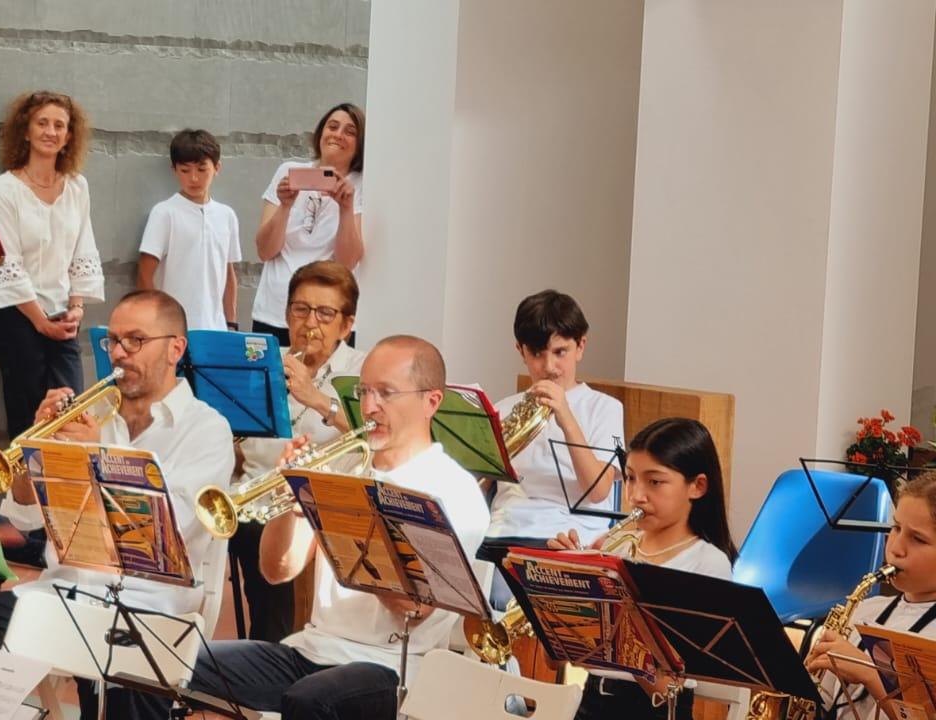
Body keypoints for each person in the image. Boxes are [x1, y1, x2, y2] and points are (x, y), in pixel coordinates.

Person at [0, 290, 235, 720]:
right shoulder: (92, 415)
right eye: (112, 341)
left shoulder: (207, 429)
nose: (119, 353)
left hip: (149, 607)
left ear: (176, 347)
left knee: (129, 688)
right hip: (59, 596)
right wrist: (35, 448)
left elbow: (174, 530)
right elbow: (23, 514)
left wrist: (99, 458)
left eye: (135, 341)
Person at [188, 335, 489, 720]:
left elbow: (415, 609)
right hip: (312, 649)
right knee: (183, 661)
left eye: (386, 393)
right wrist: (293, 501)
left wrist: (356, 523)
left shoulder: (453, 490)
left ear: (431, 401)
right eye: (363, 391)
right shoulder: (346, 466)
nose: (368, 407)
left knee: (311, 700)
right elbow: (277, 569)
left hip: (395, 664)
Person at [548, 417, 737, 720]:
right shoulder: (614, 545)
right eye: (631, 478)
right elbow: (553, 660)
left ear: (698, 486)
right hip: (589, 702)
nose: (636, 495)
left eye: (655, 481)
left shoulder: (708, 562)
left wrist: (623, 626)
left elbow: (667, 692)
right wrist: (564, 588)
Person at [231, 261, 365, 643]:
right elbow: (243, 447)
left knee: (258, 539)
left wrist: (319, 400)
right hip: (251, 494)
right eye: (301, 310)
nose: (311, 323)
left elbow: (378, 438)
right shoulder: (266, 366)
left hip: (314, 504)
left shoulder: (363, 374)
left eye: (325, 313)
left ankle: (267, 651)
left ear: (346, 324)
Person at [479, 289, 624, 610]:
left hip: (567, 541)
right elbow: (478, 491)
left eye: (560, 352)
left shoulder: (604, 408)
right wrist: (488, 459)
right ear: (521, 351)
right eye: (537, 354)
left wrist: (565, 415)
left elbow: (599, 490)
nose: (550, 366)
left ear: (580, 346)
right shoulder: (504, 408)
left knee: (504, 598)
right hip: (500, 537)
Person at [0, 90, 104, 438]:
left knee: (70, 410)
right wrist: (41, 322)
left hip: (62, 316)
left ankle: (65, 489)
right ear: (25, 130)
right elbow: (6, 263)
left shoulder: (78, 187)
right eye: (42, 123)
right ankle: (24, 492)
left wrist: (77, 307)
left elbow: (83, 248)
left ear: (69, 136)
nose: (51, 131)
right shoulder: (6, 189)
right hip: (17, 316)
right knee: (28, 415)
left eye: (59, 125)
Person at [808, 469, 936, 718]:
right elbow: (820, 701)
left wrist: (868, 672)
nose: (896, 548)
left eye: (918, 539)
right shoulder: (867, 609)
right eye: (896, 528)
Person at [249, 103, 365, 345]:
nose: (338, 135)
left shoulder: (361, 184)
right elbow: (265, 250)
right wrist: (285, 205)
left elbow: (348, 262)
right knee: (270, 382)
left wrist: (346, 209)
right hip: (274, 311)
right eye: (332, 126)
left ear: (360, 142)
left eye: (350, 131)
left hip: (327, 317)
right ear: (321, 132)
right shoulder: (289, 170)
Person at [137, 128, 241, 331]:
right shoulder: (164, 213)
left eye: (202, 169)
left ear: (217, 167)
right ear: (174, 170)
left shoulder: (226, 216)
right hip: (171, 328)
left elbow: (228, 274)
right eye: (185, 170)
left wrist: (231, 323)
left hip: (216, 328)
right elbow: (144, 274)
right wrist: (154, 322)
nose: (193, 178)